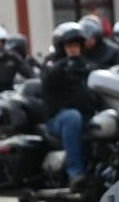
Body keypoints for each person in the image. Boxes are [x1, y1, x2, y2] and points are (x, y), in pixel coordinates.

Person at [41, 21, 99, 188]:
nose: (73, 49)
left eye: (76, 45)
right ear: (62, 47)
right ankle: (75, 172)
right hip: (57, 120)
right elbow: (47, 80)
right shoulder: (52, 65)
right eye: (69, 45)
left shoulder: (87, 65)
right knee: (72, 117)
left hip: (87, 115)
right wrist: (63, 66)